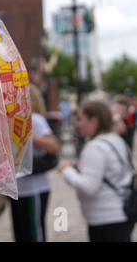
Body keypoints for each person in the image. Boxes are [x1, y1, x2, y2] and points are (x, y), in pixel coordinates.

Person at [58, 100, 135, 242]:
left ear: (93, 121)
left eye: (80, 119)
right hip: (121, 214)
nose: (77, 124)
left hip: (105, 218)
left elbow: (89, 187)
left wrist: (66, 169)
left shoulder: (95, 147)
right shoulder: (116, 139)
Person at [10, 84, 61, 242]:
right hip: (17, 189)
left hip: (34, 188)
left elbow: (53, 146)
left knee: (34, 234)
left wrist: (26, 134)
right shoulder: (12, 120)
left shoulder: (35, 119)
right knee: (21, 234)